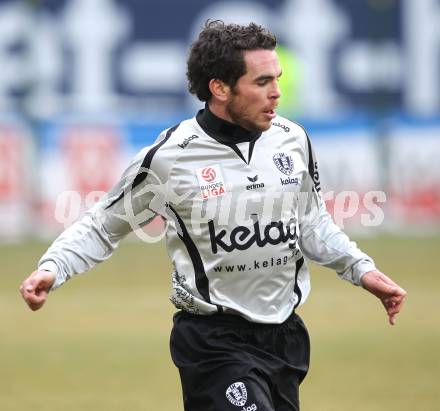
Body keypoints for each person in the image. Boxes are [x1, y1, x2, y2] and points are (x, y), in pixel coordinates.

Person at [20, 21, 406, 411]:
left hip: (286, 338)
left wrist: (362, 270)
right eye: (261, 82)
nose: (276, 92)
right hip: (213, 341)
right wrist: (54, 267)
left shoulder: (294, 140)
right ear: (220, 88)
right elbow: (103, 225)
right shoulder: (171, 157)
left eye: (277, 79)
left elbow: (311, 223)